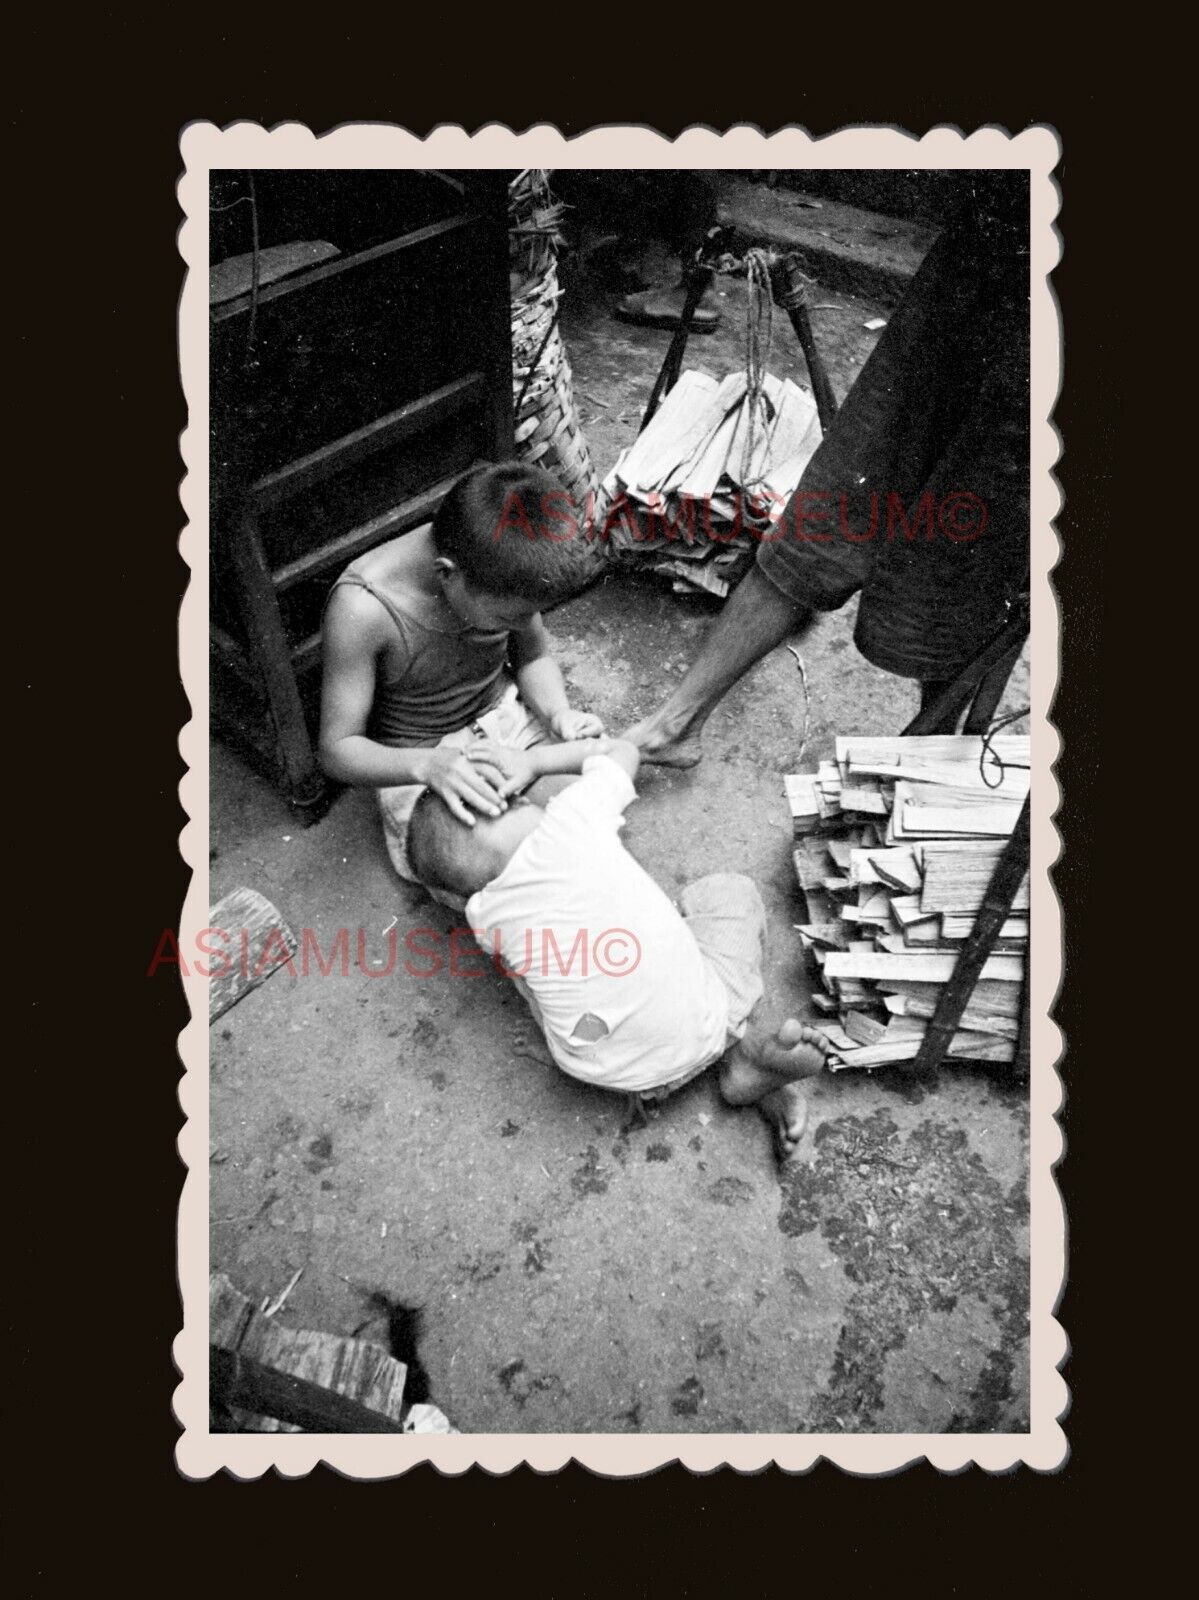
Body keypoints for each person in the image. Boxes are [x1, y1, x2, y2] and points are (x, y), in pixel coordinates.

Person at [626, 189, 1031, 766]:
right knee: (832, 504)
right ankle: (675, 724)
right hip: (989, 250)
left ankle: (939, 767)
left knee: (966, 559)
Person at [407, 736, 832, 1159]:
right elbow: (622, 753)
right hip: (702, 1017)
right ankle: (739, 1054)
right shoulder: (570, 818)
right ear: (512, 800)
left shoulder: (484, 917)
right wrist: (533, 760)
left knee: (540, 975)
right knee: (729, 892)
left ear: (455, 898)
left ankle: (572, 1049)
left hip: (626, 1074)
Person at [318, 461, 605, 901]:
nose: (524, 623)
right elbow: (338, 751)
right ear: (447, 574)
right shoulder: (366, 608)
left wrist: (557, 713)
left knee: (598, 797)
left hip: (506, 721)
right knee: (509, 859)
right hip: (422, 758)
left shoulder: (503, 564)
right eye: (508, 619)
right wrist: (428, 766)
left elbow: (534, 657)